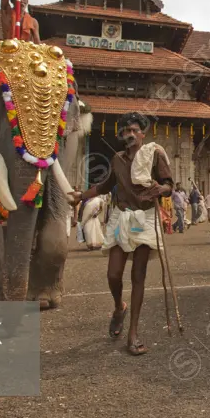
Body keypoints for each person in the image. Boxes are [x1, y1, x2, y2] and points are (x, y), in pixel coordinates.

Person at [70, 112, 173, 356]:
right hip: (121, 218)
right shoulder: (117, 159)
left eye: (134, 130)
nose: (129, 134)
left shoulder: (154, 154)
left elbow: (170, 185)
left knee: (138, 275)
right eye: (125, 131)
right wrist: (80, 196)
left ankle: (133, 333)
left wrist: (161, 188)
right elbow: (105, 186)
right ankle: (119, 307)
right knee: (114, 273)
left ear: (142, 134)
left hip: (145, 219)